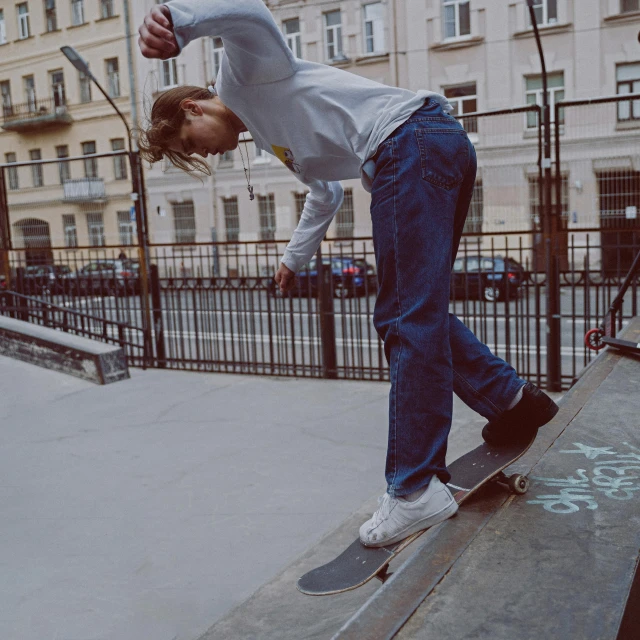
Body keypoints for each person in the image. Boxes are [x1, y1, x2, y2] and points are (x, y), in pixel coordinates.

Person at [137, 0, 559, 548]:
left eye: (193, 144)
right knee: (415, 313)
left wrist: (179, 23)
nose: (209, 152)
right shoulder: (271, 135)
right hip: (432, 145)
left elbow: (253, 15)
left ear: (194, 108)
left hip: (406, 145)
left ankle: (414, 491)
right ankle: (514, 401)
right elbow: (325, 191)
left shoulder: (241, 76)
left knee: (405, 319)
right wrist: (294, 256)